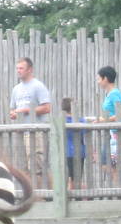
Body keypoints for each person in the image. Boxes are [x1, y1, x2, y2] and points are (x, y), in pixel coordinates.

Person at [7, 56, 52, 188]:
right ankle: (30, 193)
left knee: (37, 165)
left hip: (37, 131)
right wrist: (13, 114)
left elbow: (47, 108)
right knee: (23, 166)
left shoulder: (38, 86)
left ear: (29, 70)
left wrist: (26, 110)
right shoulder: (16, 89)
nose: (18, 71)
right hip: (21, 132)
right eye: (17, 68)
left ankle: (41, 195)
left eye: (21, 68)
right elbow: (13, 109)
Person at [96, 65, 121, 187]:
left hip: (116, 133)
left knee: (110, 165)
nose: (98, 82)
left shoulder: (114, 93)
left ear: (105, 79)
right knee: (108, 165)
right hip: (112, 132)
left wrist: (105, 120)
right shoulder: (110, 93)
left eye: (99, 79)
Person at [61, 97, 88, 191]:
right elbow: (84, 132)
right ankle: (76, 196)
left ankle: (72, 195)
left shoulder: (61, 121)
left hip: (67, 152)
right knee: (76, 178)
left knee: (70, 178)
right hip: (80, 152)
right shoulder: (81, 121)